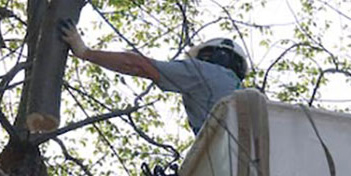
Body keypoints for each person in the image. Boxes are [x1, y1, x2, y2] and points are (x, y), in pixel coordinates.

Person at [60, 20, 248, 134]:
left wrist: (85, 52)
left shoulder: (202, 72)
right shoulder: (245, 95)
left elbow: (139, 65)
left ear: (208, 56)